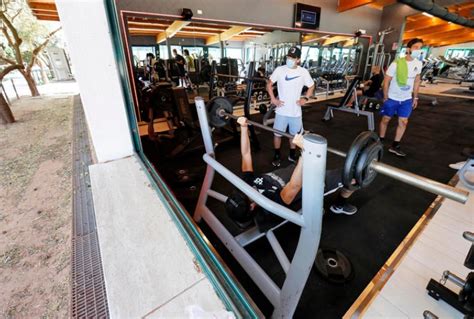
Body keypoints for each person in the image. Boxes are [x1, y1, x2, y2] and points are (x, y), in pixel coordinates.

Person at [225, 116, 358, 231]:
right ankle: (340, 204)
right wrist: (304, 152)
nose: (247, 191)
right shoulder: (270, 205)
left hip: (293, 169)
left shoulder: (246, 187)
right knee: (354, 177)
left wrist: (243, 128)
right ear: (252, 206)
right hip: (310, 181)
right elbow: (294, 185)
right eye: (246, 196)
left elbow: (246, 154)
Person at [266, 46, 315, 167]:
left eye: (292, 58)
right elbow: (269, 84)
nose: (289, 59)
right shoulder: (280, 70)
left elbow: (311, 86)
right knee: (277, 134)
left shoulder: (303, 72)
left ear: (298, 59)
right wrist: (273, 99)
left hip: (295, 112)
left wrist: (306, 98)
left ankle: (292, 155)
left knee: (294, 136)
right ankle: (277, 154)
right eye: (288, 57)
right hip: (281, 111)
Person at [379, 38, 424, 157]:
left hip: (406, 99)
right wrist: (385, 96)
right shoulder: (396, 63)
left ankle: (395, 145)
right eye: (416, 47)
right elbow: (386, 80)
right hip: (392, 97)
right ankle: (381, 140)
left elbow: (417, 81)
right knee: (386, 119)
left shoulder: (419, 64)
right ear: (409, 49)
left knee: (403, 122)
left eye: (420, 48)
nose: (418, 50)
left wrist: (415, 98)